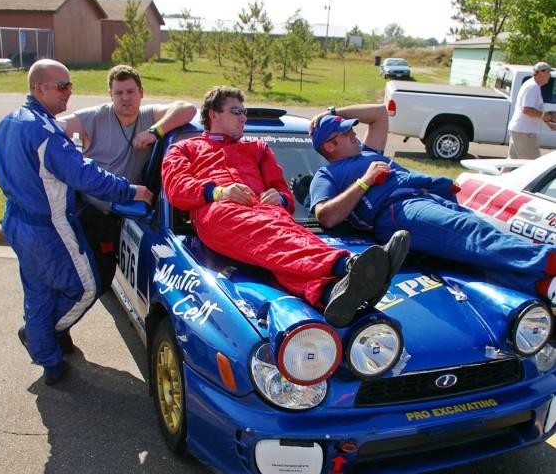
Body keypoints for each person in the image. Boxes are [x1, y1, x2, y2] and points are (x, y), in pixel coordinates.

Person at [161, 86, 410, 328]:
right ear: (213, 114)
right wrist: (219, 192)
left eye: (244, 112)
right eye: (236, 111)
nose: (243, 117)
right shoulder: (184, 148)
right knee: (267, 231)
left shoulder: (257, 148)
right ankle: (347, 265)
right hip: (219, 213)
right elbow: (176, 187)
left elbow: (284, 193)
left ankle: (330, 292)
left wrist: (280, 198)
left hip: (263, 212)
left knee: (284, 235)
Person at [0, 59, 152, 385]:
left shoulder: (8, 122)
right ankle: (41, 337)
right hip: (48, 225)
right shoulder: (46, 132)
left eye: (70, 85)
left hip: (16, 221)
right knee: (87, 286)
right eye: (61, 86)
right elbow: (84, 176)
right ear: (39, 88)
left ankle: (50, 361)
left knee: (38, 291)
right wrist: (130, 190)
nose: (68, 92)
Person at [308, 105, 556, 305]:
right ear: (330, 146)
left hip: (425, 197)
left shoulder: (367, 152)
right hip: (397, 210)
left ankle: (542, 285)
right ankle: (548, 260)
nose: (353, 134)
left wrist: (332, 113)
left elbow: (379, 113)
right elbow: (326, 216)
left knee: (470, 256)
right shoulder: (327, 175)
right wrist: (365, 181)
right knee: (470, 231)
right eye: (345, 132)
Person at [58, 65, 196, 291]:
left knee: (97, 281)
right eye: (118, 93)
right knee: (86, 281)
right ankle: (46, 323)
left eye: (130, 92)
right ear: (110, 96)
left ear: (141, 93)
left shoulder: (148, 116)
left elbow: (187, 108)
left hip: (124, 212)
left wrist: (154, 132)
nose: (125, 98)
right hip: (92, 213)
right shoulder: (95, 117)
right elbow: (56, 127)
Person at [507, 61, 556, 160]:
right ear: (541, 72)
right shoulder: (533, 87)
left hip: (520, 130)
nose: (549, 76)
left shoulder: (533, 85)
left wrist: (548, 122)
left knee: (512, 161)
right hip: (525, 132)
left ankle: (502, 176)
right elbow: (527, 110)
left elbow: (534, 110)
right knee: (531, 164)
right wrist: (546, 116)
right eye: (548, 73)